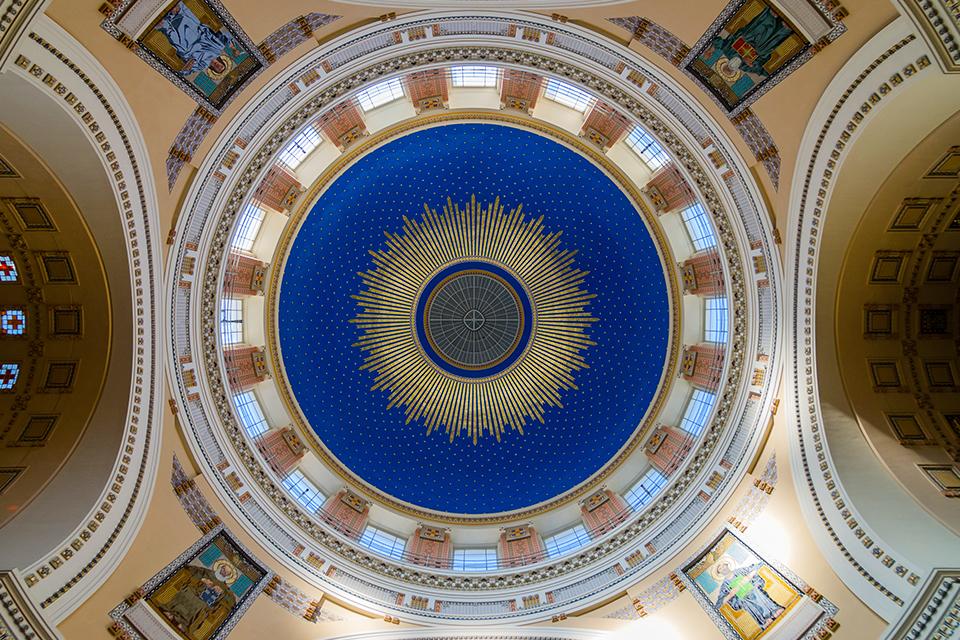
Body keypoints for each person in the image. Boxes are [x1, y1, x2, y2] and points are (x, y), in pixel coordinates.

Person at [157, 1, 233, 74]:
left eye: (218, 69)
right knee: (193, 26)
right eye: (221, 66)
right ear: (221, 62)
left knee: (179, 43)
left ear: (214, 69)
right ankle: (178, 10)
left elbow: (184, 72)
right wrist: (230, 44)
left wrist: (188, 66)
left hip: (187, 47)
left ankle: (165, 25)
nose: (218, 66)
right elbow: (227, 35)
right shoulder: (218, 49)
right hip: (198, 35)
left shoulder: (201, 66)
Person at [713, 558, 785, 630]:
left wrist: (748, 577)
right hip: (744, 599)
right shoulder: (725, 585)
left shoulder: (740, 571)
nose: (723, 568)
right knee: (749, 605)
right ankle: (765, 620)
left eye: (723, 566)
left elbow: (756, 566)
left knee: (759, 596)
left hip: (753, 590)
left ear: (727, 565)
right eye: (720, 569)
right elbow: (719, 602)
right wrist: (731, 594)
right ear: (720, 573)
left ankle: (774, 610)